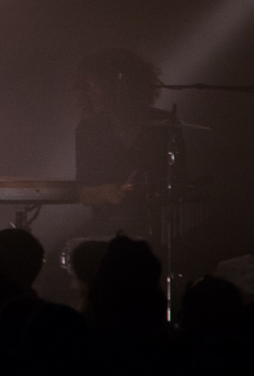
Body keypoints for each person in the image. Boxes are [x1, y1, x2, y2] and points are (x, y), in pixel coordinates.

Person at [73, 48, 183, 238]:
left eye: (94, 85)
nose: (90, 93)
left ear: (117, 85)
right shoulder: (88, 129)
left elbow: (182, 180)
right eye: (87, 87)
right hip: (107, 225)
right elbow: (83, 191)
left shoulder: (165, 124)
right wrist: (102, 192)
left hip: (159, 225)